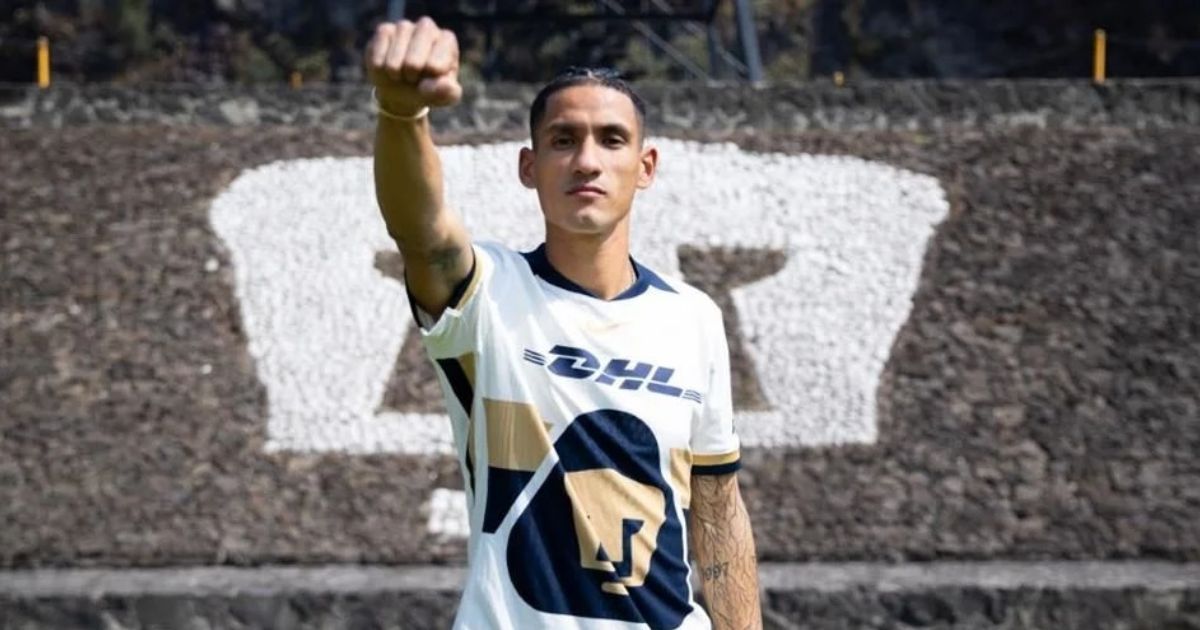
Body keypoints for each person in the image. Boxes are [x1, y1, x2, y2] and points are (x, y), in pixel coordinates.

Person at [366, 16, 763, 630]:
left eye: (611, 139)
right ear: (528, 166)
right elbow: (424, 235)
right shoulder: (488, 295)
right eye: (563, 140)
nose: (586, 161)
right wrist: (400, 114)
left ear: (646, 166)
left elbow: (717, 510)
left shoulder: (694, 317)